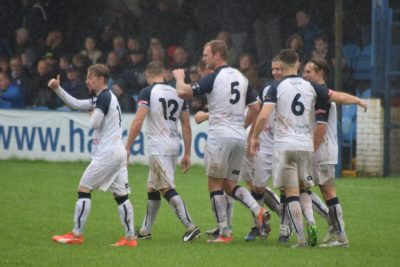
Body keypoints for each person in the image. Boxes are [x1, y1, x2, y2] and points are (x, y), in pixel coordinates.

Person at [251, 49, 367, 248]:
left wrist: (254, 137)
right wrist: (357, 100)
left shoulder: (275, 87)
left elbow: (262, 116)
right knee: (305, 189)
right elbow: (336, 95)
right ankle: (315, 224)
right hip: (305, 146)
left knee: (292, 192)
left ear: (282, 65)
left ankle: (302, 238)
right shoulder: (311, 87)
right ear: (297, 65)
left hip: (286, 146)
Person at [173, 40, 270, 243]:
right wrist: (242, 126)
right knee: (230, 184)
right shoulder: (242, 78)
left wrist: (179, 77)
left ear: (218, 55)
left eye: (206, 54)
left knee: (214, 183)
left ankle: (224, 232)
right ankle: (257, 209)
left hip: (219, 136)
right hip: (238, 137)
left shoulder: (214, 77)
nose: (203, 58)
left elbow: (182, 92)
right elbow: (255, 108)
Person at [49, 64, 137, 247]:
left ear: (100, 78)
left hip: (108, 153)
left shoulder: (104, 97)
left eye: (90, 77)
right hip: (117, 151)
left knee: (84, 188)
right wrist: (58, 89)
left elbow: (94, 123)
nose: (86, 80)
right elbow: (76, 103)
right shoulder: (104, 97)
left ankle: (76, 234)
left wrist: (92, 114)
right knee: (121, 195)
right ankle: (130, 239)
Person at [125, 61, 200, 242]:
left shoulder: (147, 92)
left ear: (148, 73)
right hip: (173, 144)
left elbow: (138, 121)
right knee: (152, 187)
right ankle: (145, 230)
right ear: (164, 74)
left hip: (158, 146)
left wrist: (127, 146)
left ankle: (191, 226)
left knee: (165, 188)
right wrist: (187, 153)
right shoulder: (177, 92)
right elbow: (186, 125)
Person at [302, 57, 365, 247]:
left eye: (308, 72)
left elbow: (321, 128)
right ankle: (334, 225)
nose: (304, 75)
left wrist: (309, 152)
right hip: (320, 150)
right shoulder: (318, 93)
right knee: (301, 189)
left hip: (321, 150)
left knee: (326, 191)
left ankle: (340, 235)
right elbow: (342, 97)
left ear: (320, 72)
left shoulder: (322, 96)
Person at [240, 57, 283, 241]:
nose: (275, 72)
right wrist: (252, 138)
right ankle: (259, 225)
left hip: (286, 145)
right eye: (273, 69)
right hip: (263, 145)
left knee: (294, 190)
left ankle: (286, 225)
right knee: (256, 186)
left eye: (279, 69)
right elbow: (259, 113)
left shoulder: (297, 88)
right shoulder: (267, 88)